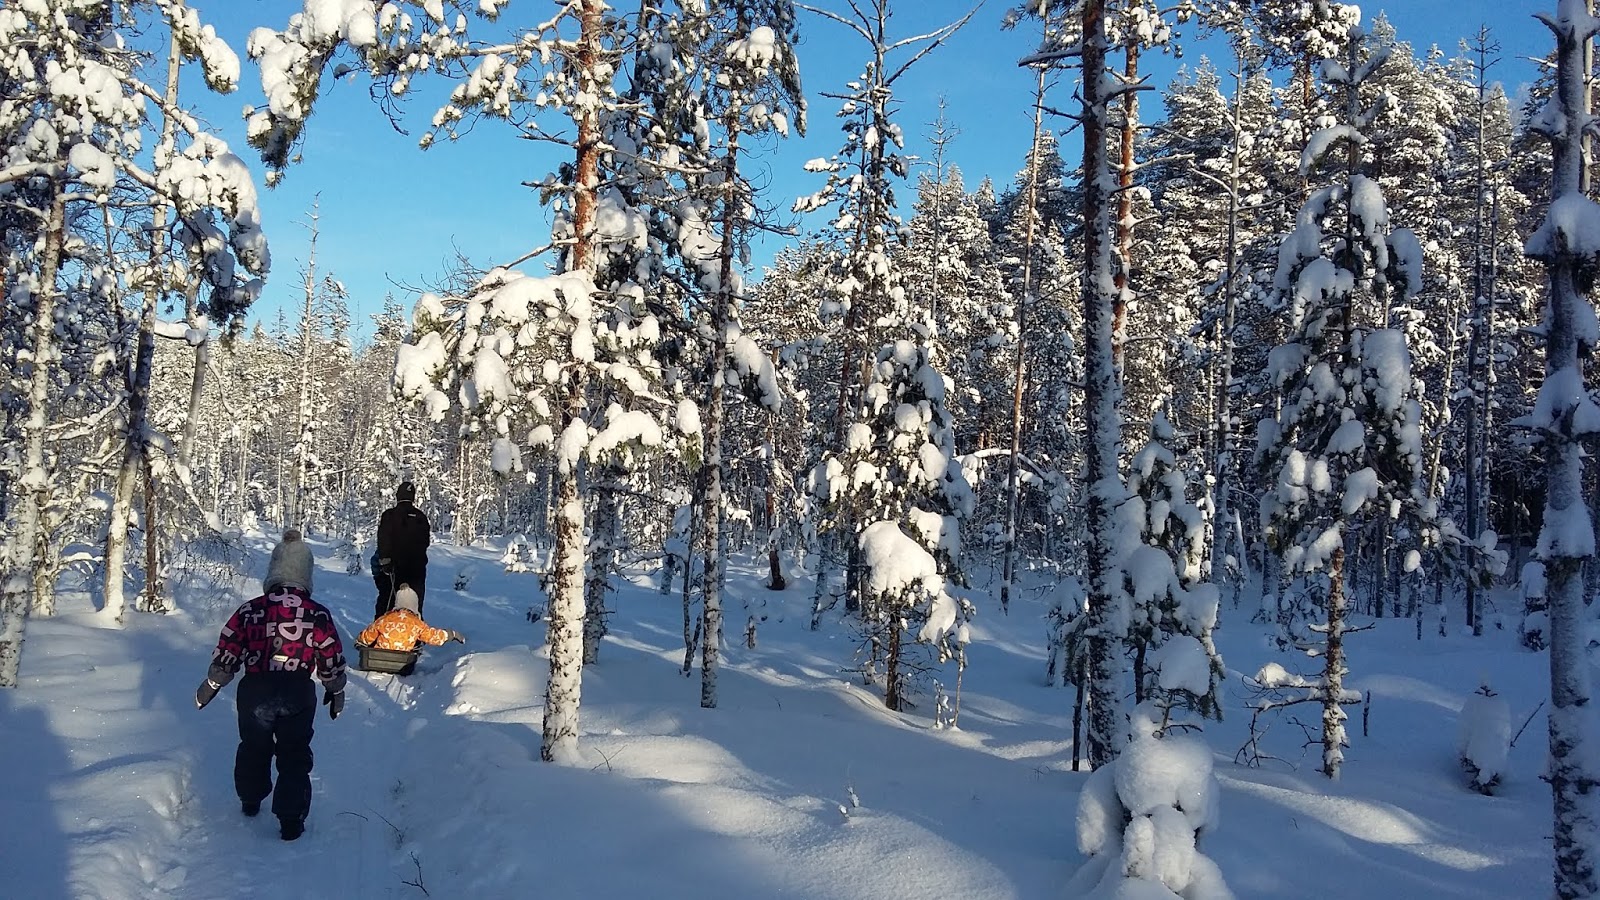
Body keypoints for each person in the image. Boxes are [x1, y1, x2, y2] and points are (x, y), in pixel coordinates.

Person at [195, 530, 346, 842]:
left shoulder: (250, 610)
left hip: (256, 690)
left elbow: (229, 649)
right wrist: (335, 689)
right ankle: (291, 819)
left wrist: (213, 682)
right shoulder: (317, 613)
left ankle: (250, 799)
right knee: (294, 753)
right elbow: (330, 655)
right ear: (306, 573)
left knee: (254, 746)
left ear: (274, 570)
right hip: (297, 691)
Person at [358, 585, 465, 675]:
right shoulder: (417, 623)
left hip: (378, 659)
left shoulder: (384, 619)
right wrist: (451, 634)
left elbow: (368, 635)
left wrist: (360, 642)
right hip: (403, 662)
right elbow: (433, 636)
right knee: (415, 645)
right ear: (414, 605)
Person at [375, 480, 431, 620]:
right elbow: (425, 542)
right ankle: (415, 631)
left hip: (393, 569)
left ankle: (380, 630)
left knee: (387, 604)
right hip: (416, 571)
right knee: (414, 606)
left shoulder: (389, 515)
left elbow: (383, 539)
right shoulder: (421, 517)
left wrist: (385, 561)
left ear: (398, 496)